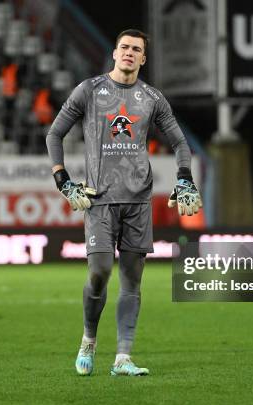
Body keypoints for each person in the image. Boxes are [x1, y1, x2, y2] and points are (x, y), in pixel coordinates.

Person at [46, 29, 202, 376]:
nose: (130, 53)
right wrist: (62, 178)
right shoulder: (89, 90)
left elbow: (180, 143)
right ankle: (89, 339)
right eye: (124, 48)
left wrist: (184, 176)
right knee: (100, 272)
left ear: (143, 59)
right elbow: (55, 133)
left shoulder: (152, 98)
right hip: (99, 200)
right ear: (114, 53)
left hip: (138, 202)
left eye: (137, 50)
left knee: (132, 281)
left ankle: (123, 358)